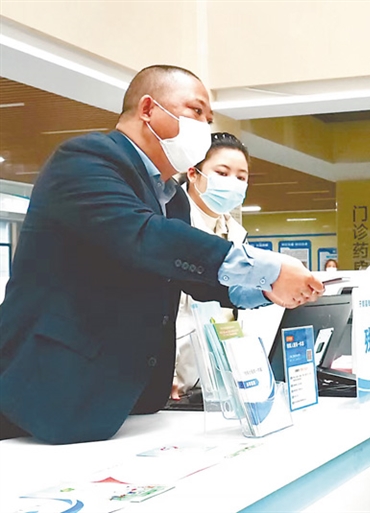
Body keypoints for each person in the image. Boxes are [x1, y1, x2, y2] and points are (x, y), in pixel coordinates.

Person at [0, 65, 324, 444]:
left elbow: (191, 277)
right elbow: (146, 237)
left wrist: (265, 290)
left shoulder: (173, 199)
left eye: (208, 119)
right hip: (47, 392)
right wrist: (268, 268)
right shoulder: (85, 160)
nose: (204, 127)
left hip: (126, 400)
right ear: (149, 109)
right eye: (196, 111)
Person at [171, 132, 251, 400]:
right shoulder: (169, 224)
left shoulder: (236, 234)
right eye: (222, 173)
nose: (233, 183)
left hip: (217, 380)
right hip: (172, 381)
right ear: (193, 174)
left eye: (241, 177)